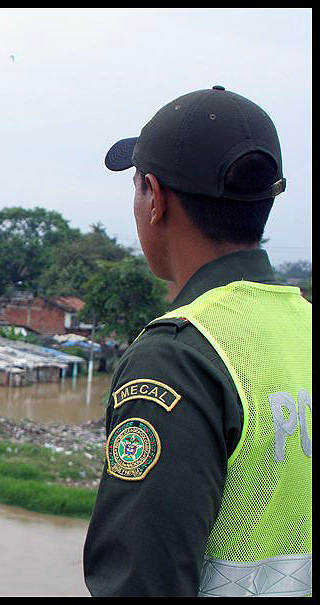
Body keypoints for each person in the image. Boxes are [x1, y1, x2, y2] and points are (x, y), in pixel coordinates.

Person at [83, 86, 312, 597]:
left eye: (137, 186)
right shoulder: (305, 327)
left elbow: (141, 583)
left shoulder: (179, 358)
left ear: (155, 198)